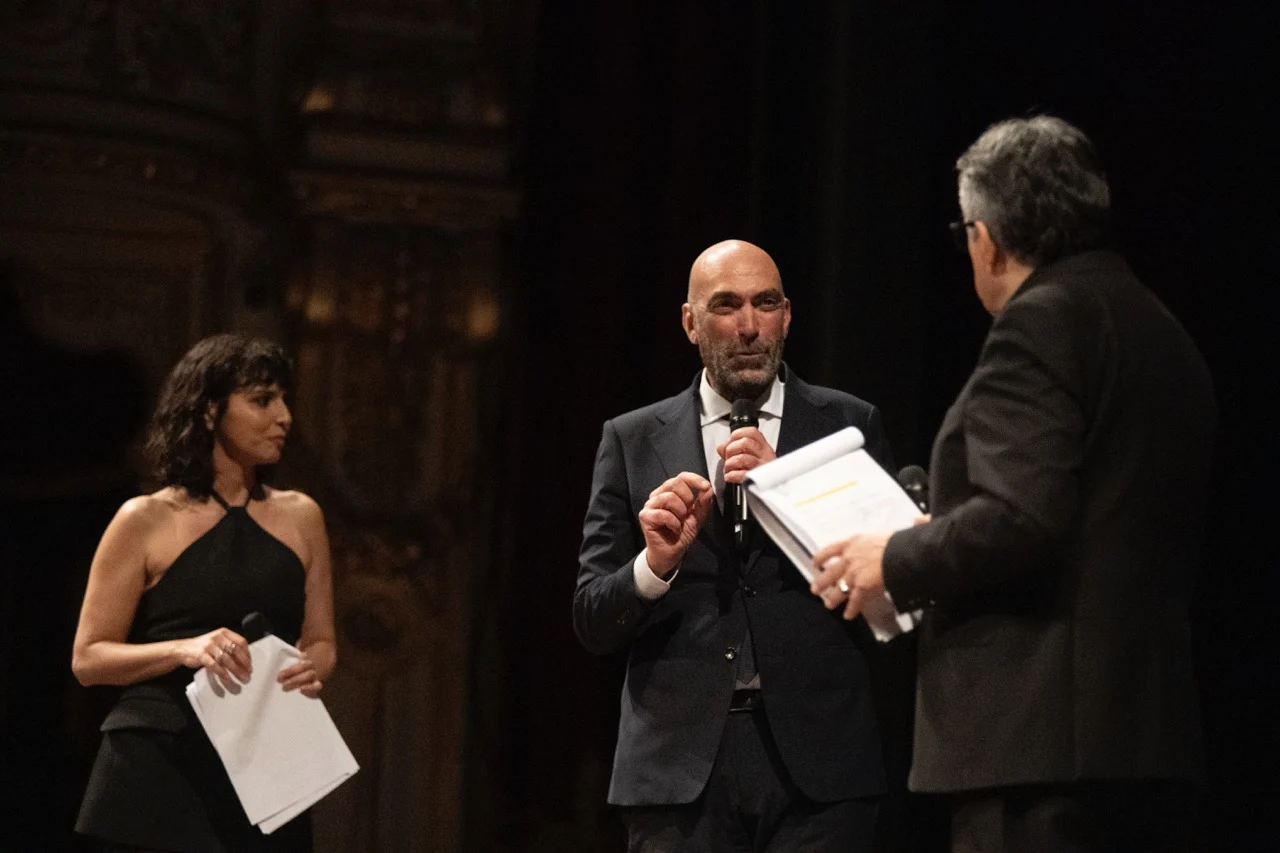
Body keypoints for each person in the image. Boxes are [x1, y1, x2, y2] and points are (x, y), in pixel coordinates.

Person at [810, 116, 1217, 851]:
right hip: (1142, 737)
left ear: (986, 238)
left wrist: (893, 557)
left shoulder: (1041, 322)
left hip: (1040, 748)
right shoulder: (1159, 327)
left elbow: (1024, 516)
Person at [574, 239, 898, 852]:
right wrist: (654, 566)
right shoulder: (632, 439)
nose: (749, 326)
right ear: (690, 322)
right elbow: (592, 619)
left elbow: (890, 589)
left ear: (788, 315)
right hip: (677, 773)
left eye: (765, 303)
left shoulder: (848, 425)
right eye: (726, 306)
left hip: (819, 771)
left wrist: (792, 493)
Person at [72, 333, 337, 852]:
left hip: (267, 759)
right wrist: (185, 648)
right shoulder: (144, 519)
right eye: (262, 400)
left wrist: (312, 667)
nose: (284, 416)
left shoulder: (302, 516)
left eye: (284, 400)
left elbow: (322, 641)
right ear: (211, 410)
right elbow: (88, 659)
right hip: (161, 758)